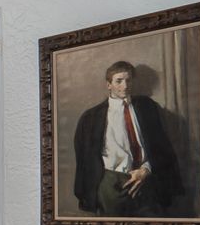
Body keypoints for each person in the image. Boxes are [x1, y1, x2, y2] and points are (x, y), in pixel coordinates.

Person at [73, 61, 181, 216]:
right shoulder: (91, 117)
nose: (125, 86)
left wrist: (146, 170)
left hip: (146, 180)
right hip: (112, 183)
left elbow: (161, 147)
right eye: (119, 81)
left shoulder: (147, 107)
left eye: (128, 80)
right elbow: (85, 159)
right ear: (108, 84)